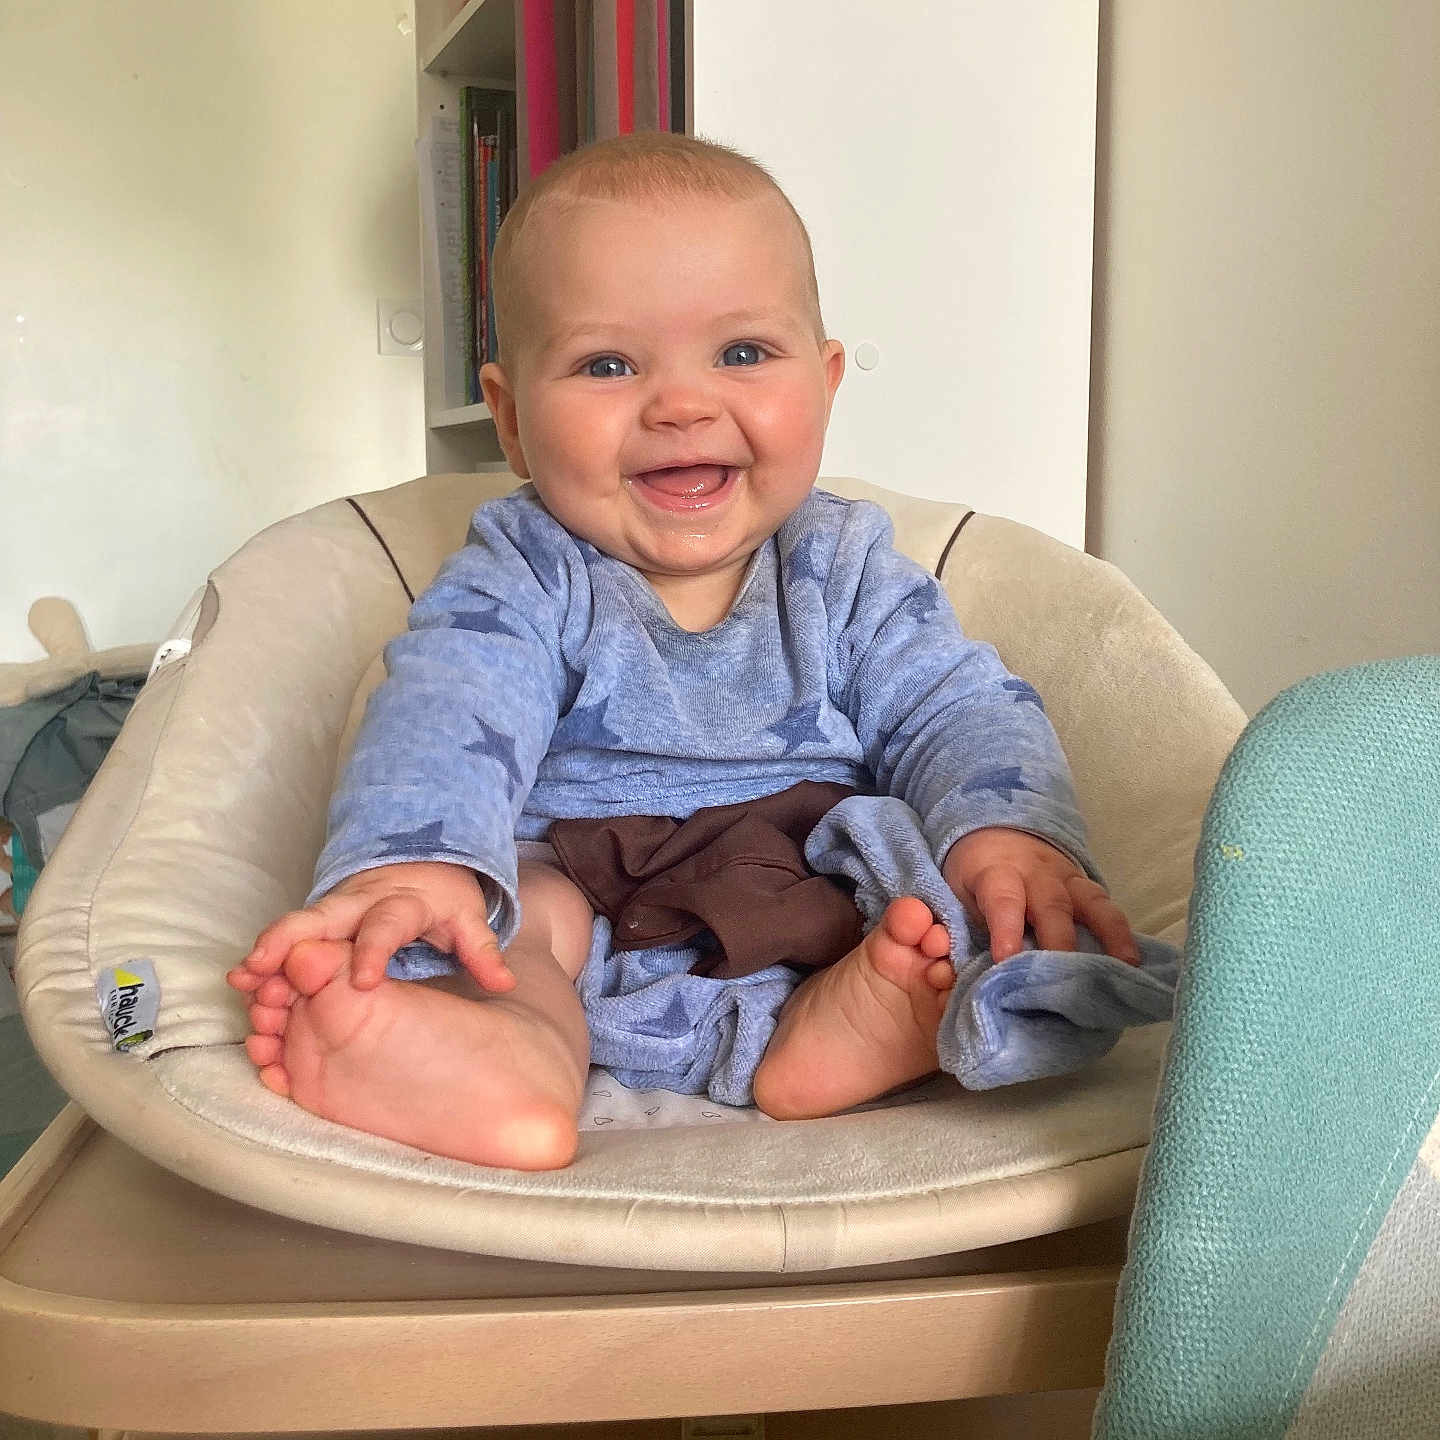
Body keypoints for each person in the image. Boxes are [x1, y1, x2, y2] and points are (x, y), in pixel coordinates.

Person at [227, 131, 1138, 1171]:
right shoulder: (526, 568)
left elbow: (954, 707)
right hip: (585, 886)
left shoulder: (845, 566)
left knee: (961, 905)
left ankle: (852, 1023)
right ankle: (508, 1059)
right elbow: (451, 705)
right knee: (502, 930)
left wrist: (1004, 836)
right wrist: (414, 865)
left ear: (826, 382)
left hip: (814, 881)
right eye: (608, 364)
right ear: (512, 421)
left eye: (742, 353)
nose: (681, 404)